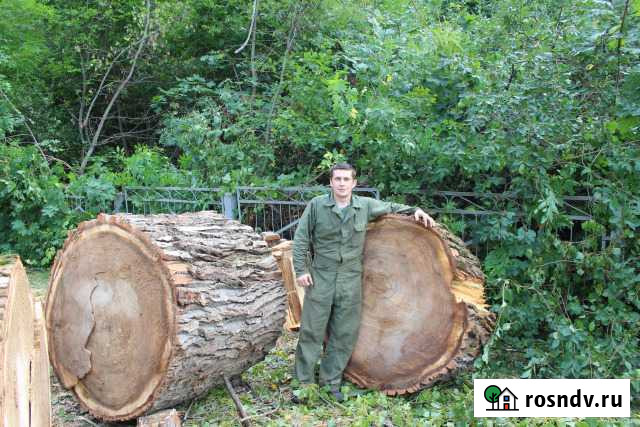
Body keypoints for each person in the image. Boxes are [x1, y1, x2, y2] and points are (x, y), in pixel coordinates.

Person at [291, 162, 435, 402]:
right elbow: (301, 239)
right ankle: (304, 386)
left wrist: (414, 210)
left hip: (350, 280)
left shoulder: (364, 206)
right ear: (330, 182)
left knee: (344, 334)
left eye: (346, 179)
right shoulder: (317, 206)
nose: (341, 183)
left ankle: (330, 384)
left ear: (354, 183)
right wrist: (300, 270)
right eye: (337, 179)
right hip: (321, 278)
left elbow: (391, 207)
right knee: (311, 332)